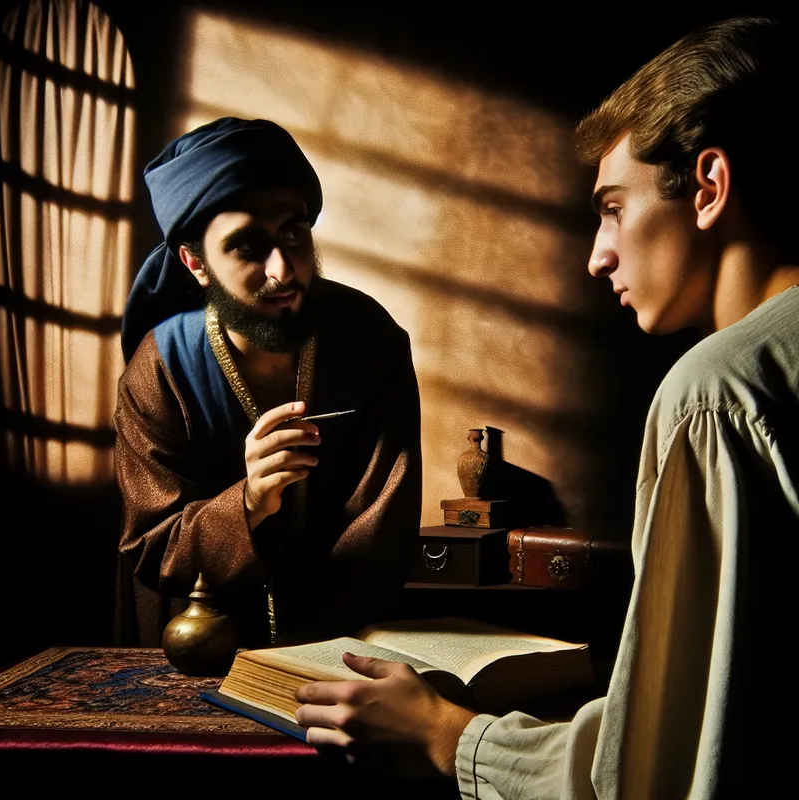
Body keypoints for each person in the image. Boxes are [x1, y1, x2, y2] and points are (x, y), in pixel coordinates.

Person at [294, 16, 795, 797]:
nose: (597, 256)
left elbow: (663, 769)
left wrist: (444, 733)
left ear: (708, 187)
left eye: (613, 208)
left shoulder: (715, 395)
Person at [113, 117, 422, 650]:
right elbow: (149, 547)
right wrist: (250, 500)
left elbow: (382, 529)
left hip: (344, 639)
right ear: (196, 263)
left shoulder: (371, 339)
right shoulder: (160, 366)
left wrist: (317, 646)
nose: (282, 269)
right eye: (248, 246)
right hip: (199, 640)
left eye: (293, 233)